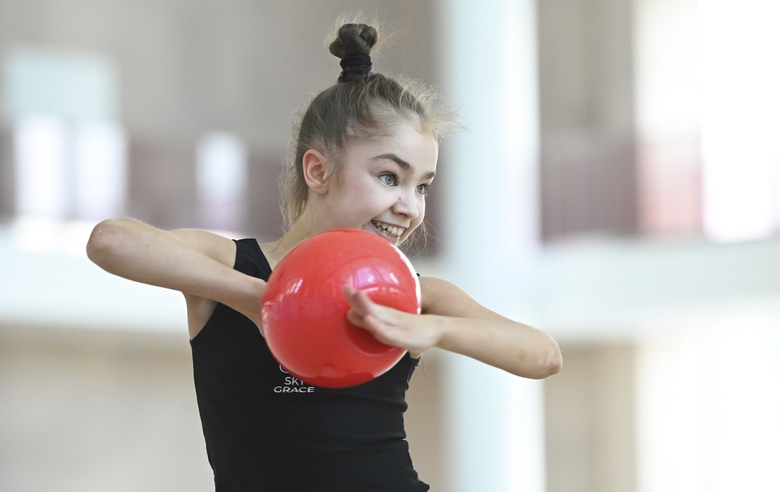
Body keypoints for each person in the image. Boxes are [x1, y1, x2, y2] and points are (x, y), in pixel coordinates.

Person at [87, 21, 562, 492]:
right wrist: (262, 297)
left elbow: (542, 355)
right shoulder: (233, 268)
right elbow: (111, 241)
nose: (410, 205)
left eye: (422, 186)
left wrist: (434, 328)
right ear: (317, 171)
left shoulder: (418, 296)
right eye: (389, 177)